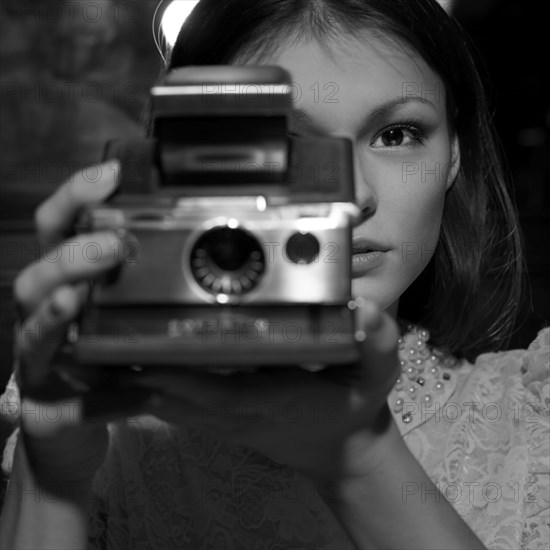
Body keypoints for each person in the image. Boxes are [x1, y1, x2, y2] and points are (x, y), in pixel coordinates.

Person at [1, 0, 548, 548]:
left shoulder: (530, 421)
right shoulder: (112, 430)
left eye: (398, 134)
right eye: (289, 146)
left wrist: (360, 457)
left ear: (453, 153)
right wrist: (52, 481)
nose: (354, 196)